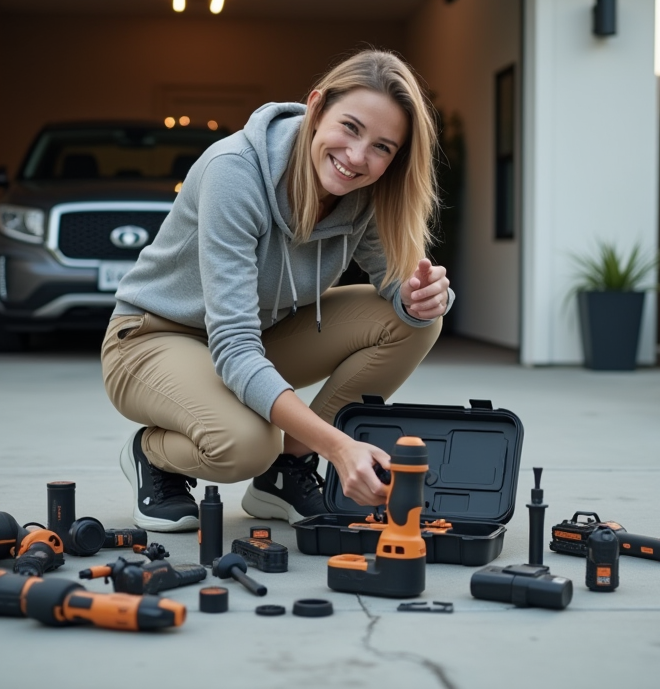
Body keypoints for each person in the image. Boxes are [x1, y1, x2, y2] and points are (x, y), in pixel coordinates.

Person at [100, 49, 453, 532]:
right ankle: (152, 455)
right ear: (316, 107)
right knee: (247, 443)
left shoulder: (363, 191)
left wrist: (424, 296)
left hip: (254, 336)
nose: (357, 157)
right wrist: (338, 444)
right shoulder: (235, 172)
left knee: (414, 324)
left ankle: (285, 473)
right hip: (151, 340)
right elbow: (234, 346)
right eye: (350, 127)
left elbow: (397, 281)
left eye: (382, 147)